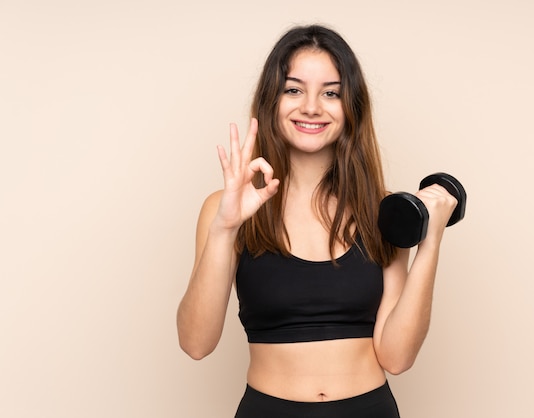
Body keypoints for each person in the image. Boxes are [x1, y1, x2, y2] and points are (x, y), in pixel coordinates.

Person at [176, 24, 457, 418]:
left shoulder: (383, 211)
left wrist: (430, 239)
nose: (311, 106)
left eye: (331, 93)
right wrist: (224, 229)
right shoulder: (227, 209)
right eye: (294, 89)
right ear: (271, 100)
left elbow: (396, 357)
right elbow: (195, 343)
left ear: (351, 107)